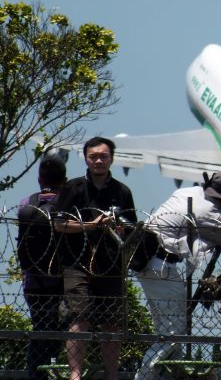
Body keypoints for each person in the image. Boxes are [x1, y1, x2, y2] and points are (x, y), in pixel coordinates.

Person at [134, 171, 221, 380]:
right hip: (162, 267)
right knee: (173, 332)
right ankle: (144, 376)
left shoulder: (188, 192)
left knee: (167, 328)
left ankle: (166, 376)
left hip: (152, 262)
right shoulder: (207, 211)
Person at [54, 136, 137, 380]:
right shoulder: (73, 188)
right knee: (79, 317)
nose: (98, 161)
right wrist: (91, 225)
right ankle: (76, 375)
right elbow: (59, 224)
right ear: (86, 159)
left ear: (111, 158)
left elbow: (131, 226)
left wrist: (121, 229)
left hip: (111, 263)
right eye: (93, 157)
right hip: (77, 263)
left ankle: (111, 375)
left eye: (103, 156)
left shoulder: (122, 191)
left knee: (112, 323)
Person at [16, 154, 67, 380]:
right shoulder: (69, 204)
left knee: (40, 328)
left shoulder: (27, 204)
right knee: (60, 329)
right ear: (64, 180)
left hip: (34, 279)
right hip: (63, 278)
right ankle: (51, 369)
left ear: (39, 179)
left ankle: (37, 373)